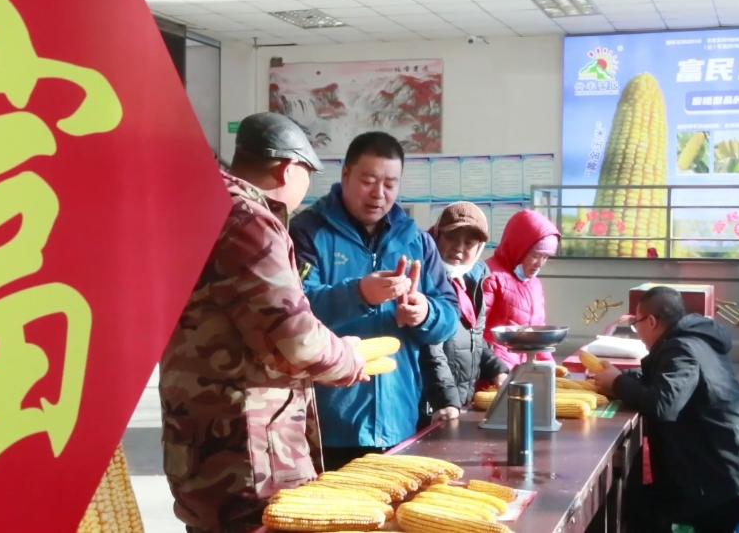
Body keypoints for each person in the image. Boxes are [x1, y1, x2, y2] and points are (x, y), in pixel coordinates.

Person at [159, 112, 366, 533]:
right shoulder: (248, 221)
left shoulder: (197, 208)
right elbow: (297, 341)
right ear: (288, 169)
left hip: (199, 442)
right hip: (248, 456)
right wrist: (349, 358)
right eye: (308, 175)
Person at [290, 131, 459, 470]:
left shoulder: (416, 240)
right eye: (368, 181)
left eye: (390, 184)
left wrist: (425, 313)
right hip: (328, 425)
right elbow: (294, 314)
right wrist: (359, 294)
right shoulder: (307, 232)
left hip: (400, 419)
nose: (379, 194)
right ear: (346, 175)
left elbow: (450, 315)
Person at [592, 286, 739, 533]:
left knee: (643, 505)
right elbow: (664, 382)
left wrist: (618, 383)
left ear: (651, 322)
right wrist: (622, 379)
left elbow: (663, 404)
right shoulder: (695, 341)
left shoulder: (682, 348)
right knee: (643, 494)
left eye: (636, 324)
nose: (637, 332)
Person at [419, 202, 509, 423]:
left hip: (459, 402)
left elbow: (475, 339)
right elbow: (430, 348)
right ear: (437, 236)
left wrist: (497, 370)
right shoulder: (424, 279)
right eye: (451, 237)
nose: (459, 248)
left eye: (469, 243)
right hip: (432, 406)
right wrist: (446, 400)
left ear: (479, 248)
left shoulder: (473, 281)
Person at [482, 209, 561, 368]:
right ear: (518, 248)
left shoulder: (534, 284)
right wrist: (496, 371)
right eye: (535, 255)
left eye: (546, 257)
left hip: (525, 369)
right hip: (496, 370)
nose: (540, 264)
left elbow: (538, 332)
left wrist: (549, 365)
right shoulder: (490, 277)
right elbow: (475, 332)